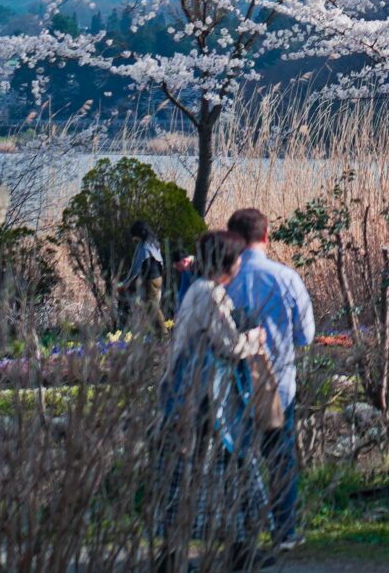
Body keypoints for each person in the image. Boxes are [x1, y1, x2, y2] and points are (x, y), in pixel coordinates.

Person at [154, 228, 270, 568]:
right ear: (227, 263)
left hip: (195, 400)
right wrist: (255, 338)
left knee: (198, 478)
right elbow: (230, 346)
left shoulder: (196, 291)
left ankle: (182, 555)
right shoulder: (211, 295)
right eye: (236, 258)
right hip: (209, 404)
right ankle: (233, 552)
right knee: (227, 474)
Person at [224, 207, 316, 551]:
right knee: (280, 458)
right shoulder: (286, 277)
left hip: (232, 384)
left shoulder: (221, 281)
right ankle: (285, 531)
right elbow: (305, 334)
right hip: (278, 383)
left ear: (233, 237)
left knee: (236, 460)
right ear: (266, 237)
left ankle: (240, 531)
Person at [121, 219, 169, 327]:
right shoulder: (153, 242)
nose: (134, 239)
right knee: (151, 306)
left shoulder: (145, 246)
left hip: (151, 280)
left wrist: (138, 279)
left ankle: (163, 334)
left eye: (134, 236)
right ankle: (159, 334)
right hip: (157, 278)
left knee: (152, 307)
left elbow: (145, 265)